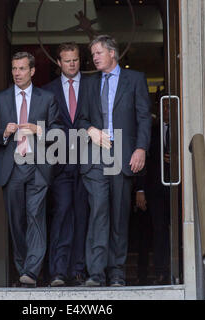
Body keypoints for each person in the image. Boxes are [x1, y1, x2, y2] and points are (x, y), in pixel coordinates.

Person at [77, 35, 152, 287]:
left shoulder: (135, 80)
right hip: (96, 156)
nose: (94, 57)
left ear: (112, 53)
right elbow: (80, 120)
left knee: (119, 215)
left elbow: (143, 117)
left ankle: (117, 272)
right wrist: (91, 131)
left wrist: (141, 148)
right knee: (98, 211)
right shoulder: (88, 84)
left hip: (123, 154)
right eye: (93, 53)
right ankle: (95, 273)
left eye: (98, 52)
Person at [0, 52, 61, 288]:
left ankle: (31, 271)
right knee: (17, 222)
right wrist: (3, 133)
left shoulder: (47, 98)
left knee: (35, 217)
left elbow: (58, 132)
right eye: (14, 69)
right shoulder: (0, 98)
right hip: (12, 167)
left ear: (32, 71)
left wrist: (38, 130)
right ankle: (23, 269)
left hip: (38, 166)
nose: (17, 73)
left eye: (22, 69)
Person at [43, 43, 90, 287]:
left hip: (87, 161)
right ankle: (58, 271)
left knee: (83, 215)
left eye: (75, 60)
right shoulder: (47, 91)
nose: (72, 64)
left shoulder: (92, 86)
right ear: (58, 63)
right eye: (67, 60)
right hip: (60, 164)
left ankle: (78, 270)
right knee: (62, 212)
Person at [135, 97, 172, 285]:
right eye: (164, 106)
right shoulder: (152, 130)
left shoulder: (183, 128)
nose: (167, 110)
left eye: (170, 106)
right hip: (155, 188)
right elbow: (144, 160)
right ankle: (160, 271)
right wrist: (140, 189)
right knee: (159, 229)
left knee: (177, 230)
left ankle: (178, 269)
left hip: (179, 188)